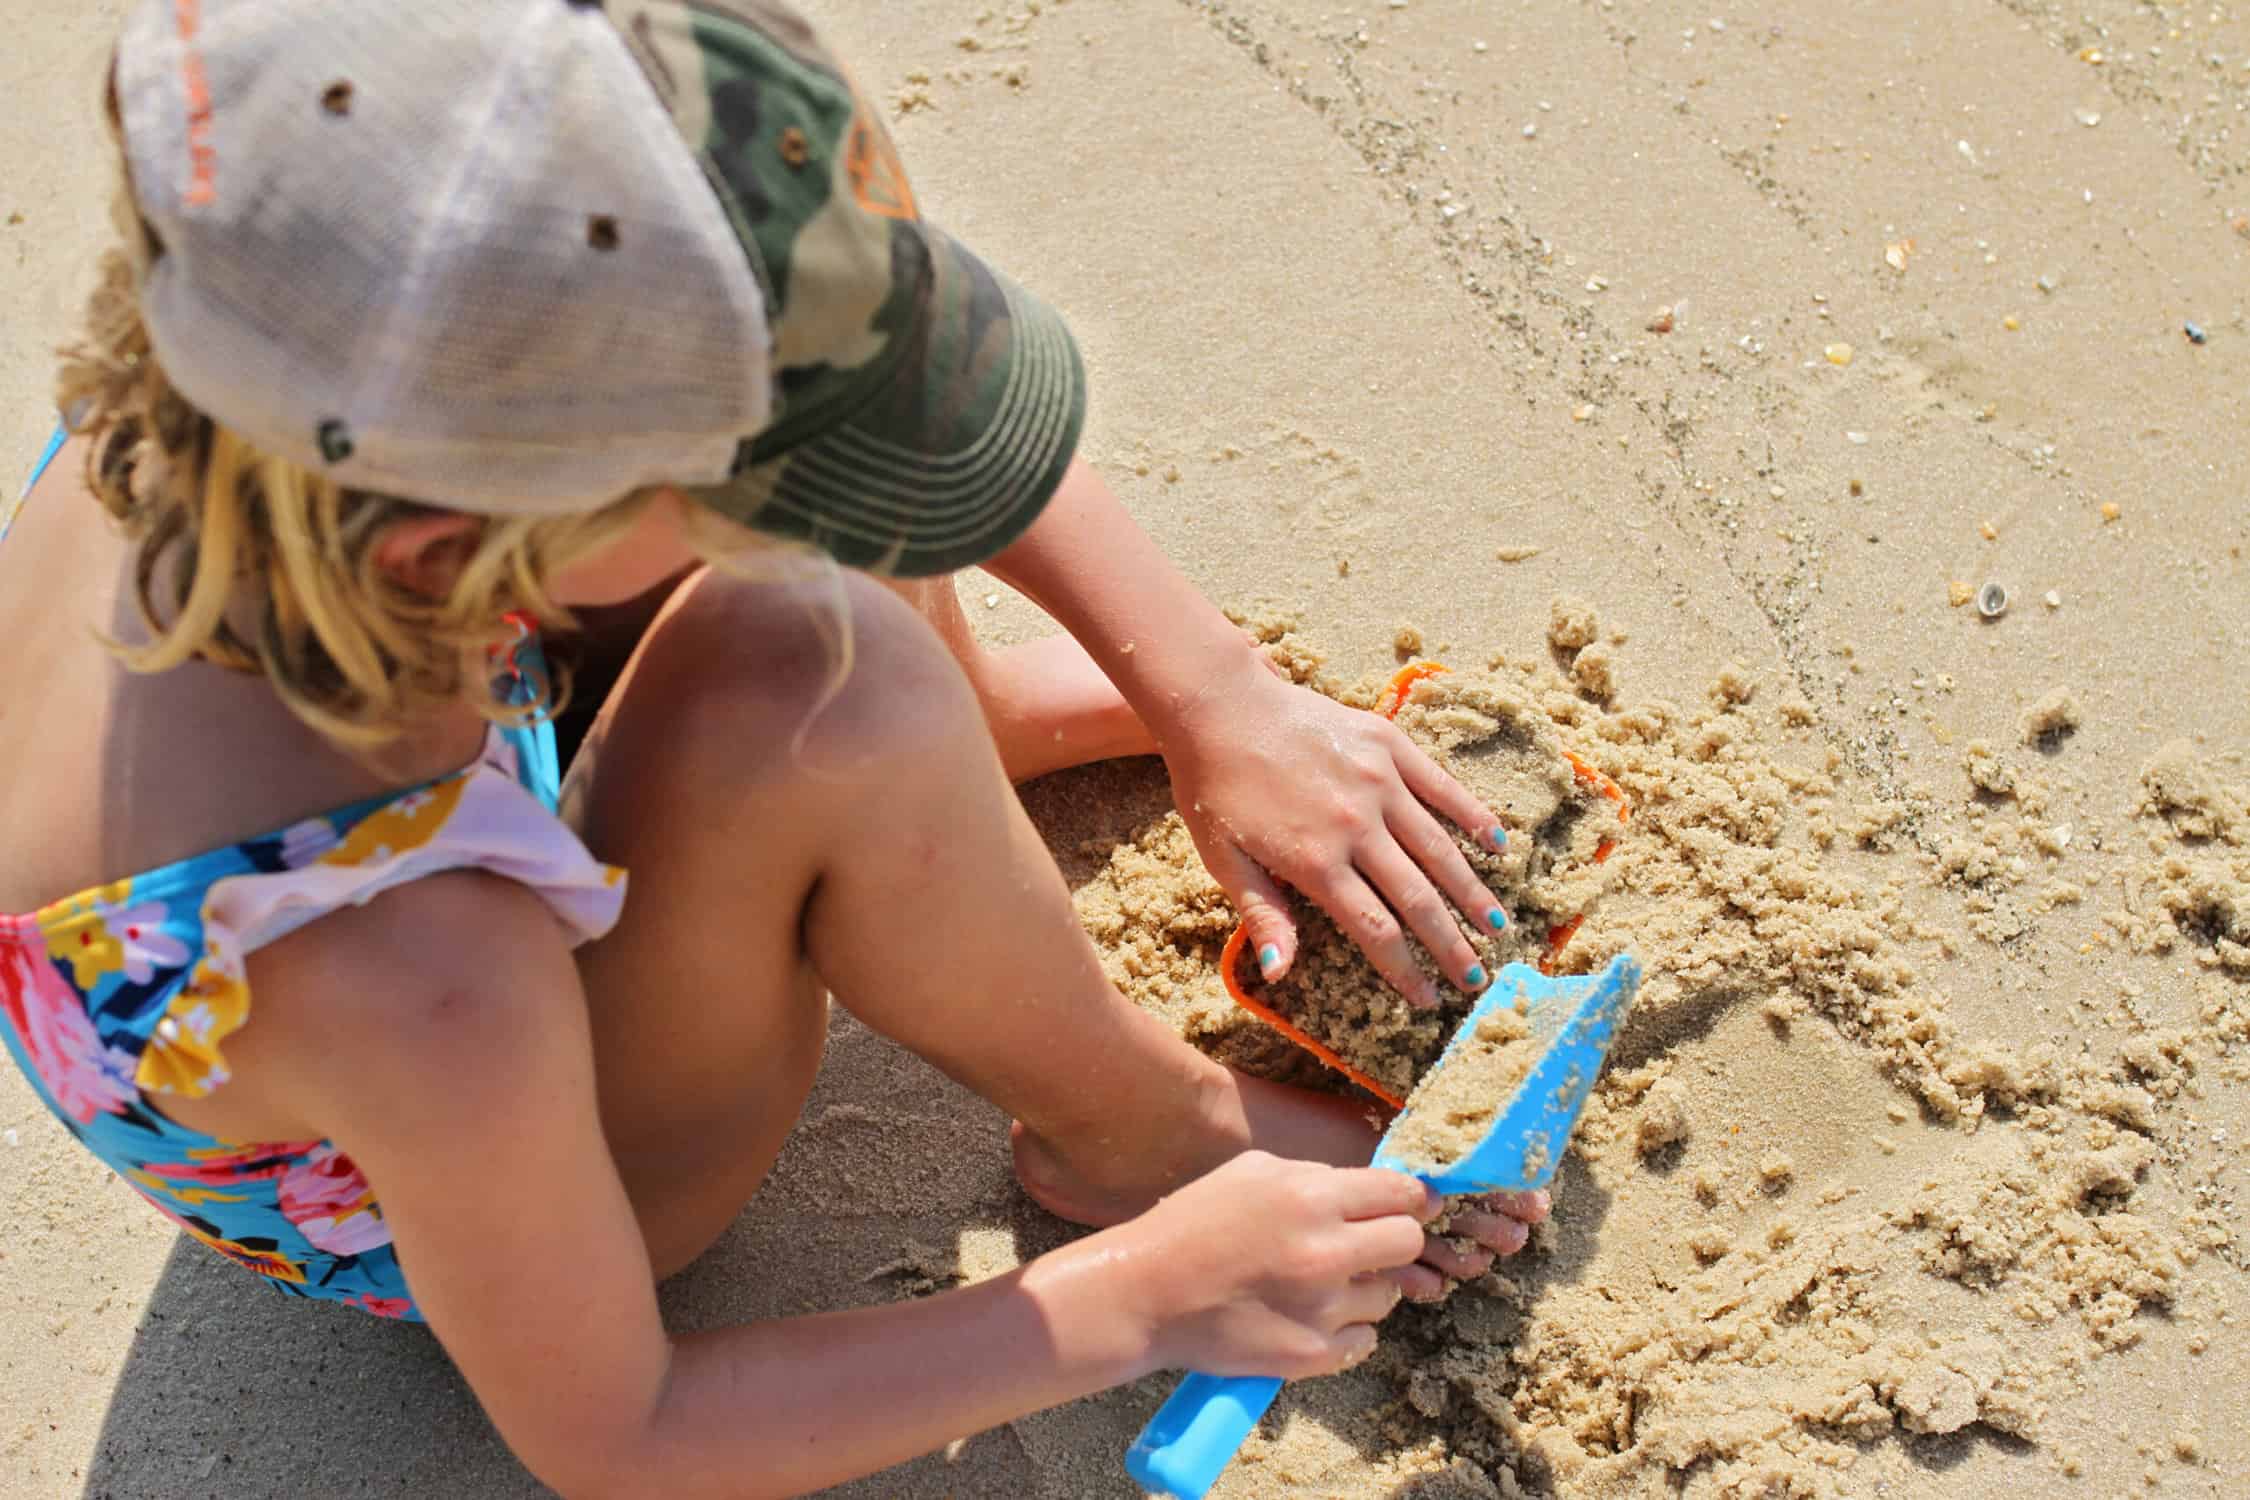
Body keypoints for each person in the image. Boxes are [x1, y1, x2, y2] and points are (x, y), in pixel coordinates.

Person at [0, 3, 1545, 1494]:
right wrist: (1141, 1300)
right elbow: (623, 1436)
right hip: (462, 1171)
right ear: (447, 555)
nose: (861, 508)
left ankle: (957, 732)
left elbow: (798, 280)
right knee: (816, 664)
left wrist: (1211, 690)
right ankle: (1136, 1134)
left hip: (464, 729)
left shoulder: (284, 333)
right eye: (781, 484)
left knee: (778, 369)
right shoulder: (416, 976)